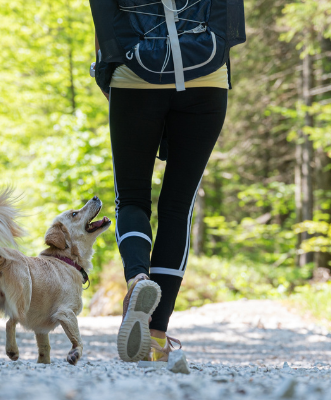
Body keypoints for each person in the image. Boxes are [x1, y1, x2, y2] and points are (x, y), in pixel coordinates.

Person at [94, 32, 229, 364]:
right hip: (206, 76)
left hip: (135, 74)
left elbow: (106, 22)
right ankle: (156, 337)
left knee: (132, 199)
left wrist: (106, 76)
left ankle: (139, 277)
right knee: (178, 207)